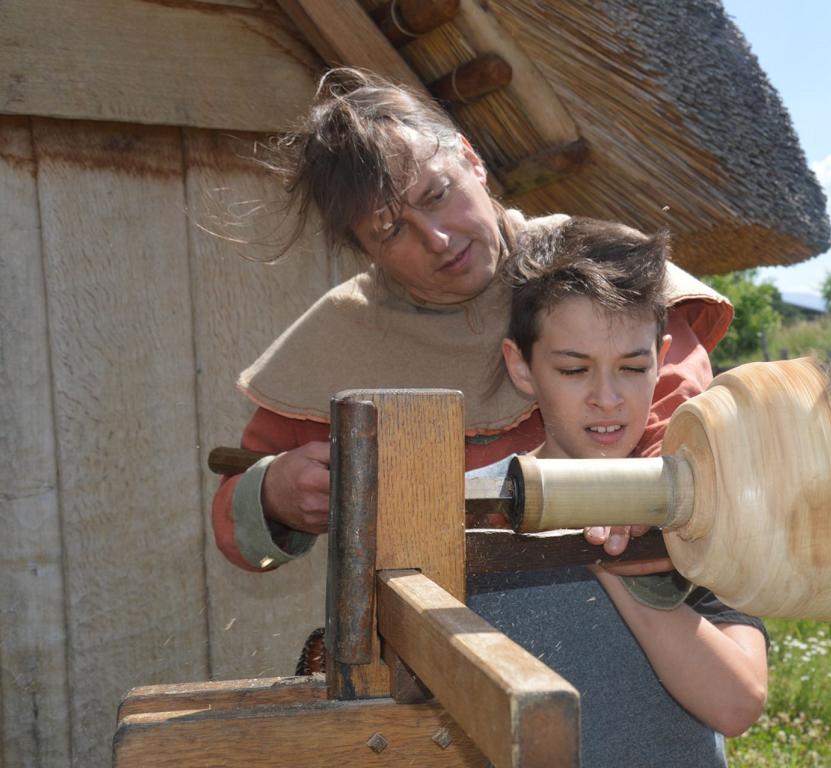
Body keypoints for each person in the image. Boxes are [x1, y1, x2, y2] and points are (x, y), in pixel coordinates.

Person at [211, 67, 733, 574]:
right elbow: (235, 520)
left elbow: (683, 422)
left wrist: (641, 496)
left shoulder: (597, 267)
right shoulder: (339, 338)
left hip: (634, 599)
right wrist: (275, 493)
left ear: (470, 159)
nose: (437, 239)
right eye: (390, 230)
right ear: (362, 248)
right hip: (433, 628)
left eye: (437, 195)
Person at [462, 216, 767, 764]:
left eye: (632, 367)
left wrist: (615, 563)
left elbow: (737, 703)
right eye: (575, 370)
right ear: (522, 366)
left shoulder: (698, 511)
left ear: (662, 359)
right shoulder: (468, 511)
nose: (608, 398)